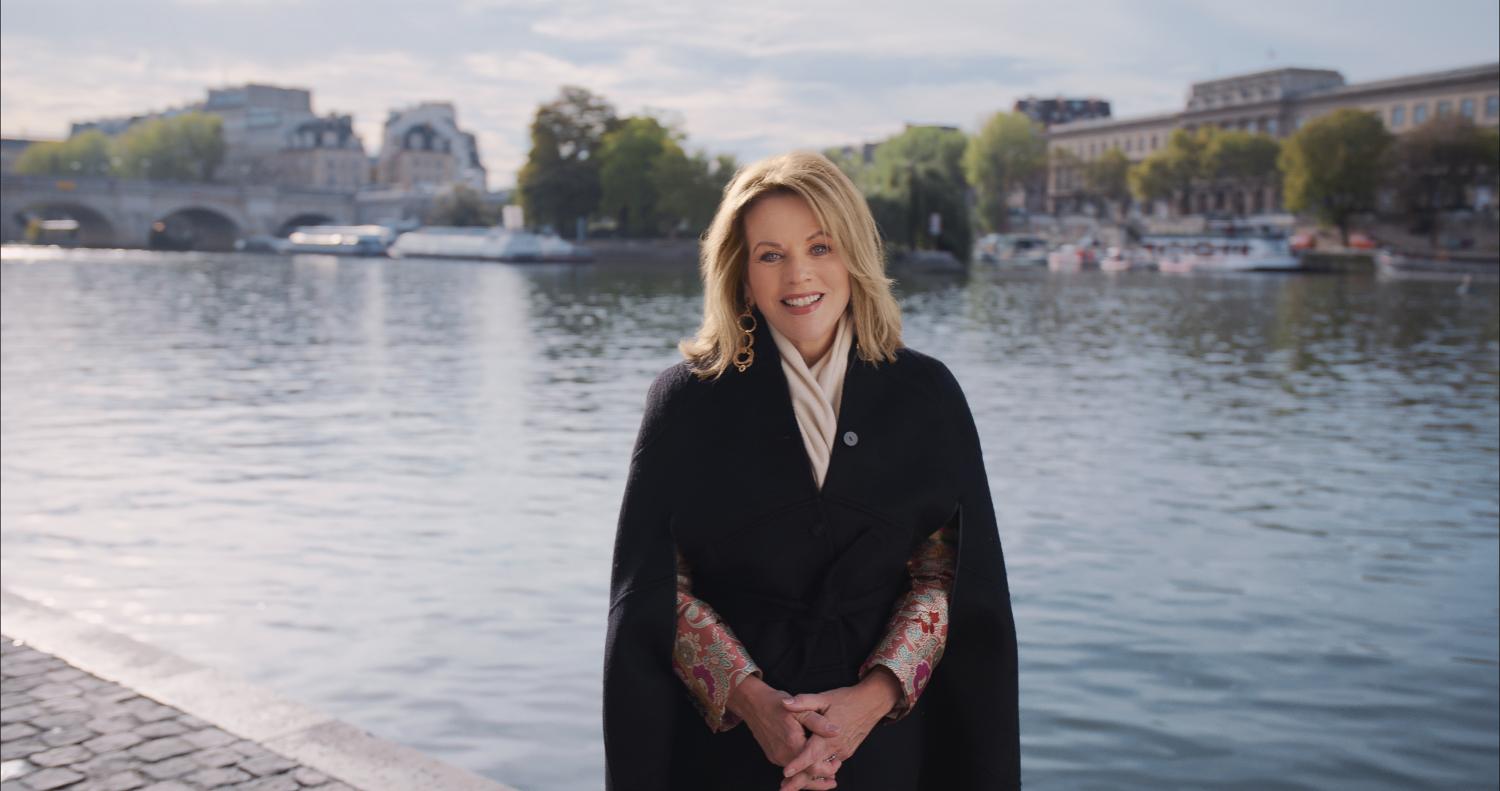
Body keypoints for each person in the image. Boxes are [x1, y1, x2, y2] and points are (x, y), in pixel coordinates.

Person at [603, 151, 1018, 790]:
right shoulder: (684, 401)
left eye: (820, 247)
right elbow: (660, 588)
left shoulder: (927, 395)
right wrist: (755, 701)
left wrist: (866, 704)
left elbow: (949, 578)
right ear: (740, 273)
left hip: (884, 751)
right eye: (770, 255)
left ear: (853, 253)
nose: (799, 275)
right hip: (728, 755)